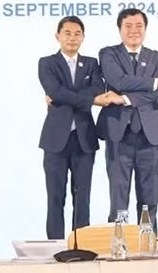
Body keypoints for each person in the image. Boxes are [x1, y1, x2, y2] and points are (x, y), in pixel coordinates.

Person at [38, 16, 122, 239]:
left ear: (83, 37)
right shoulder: (47, 63)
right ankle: (55, 245)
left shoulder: (91, 63)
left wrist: (65, 96)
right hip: (55, 140)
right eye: (67, 33)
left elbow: (96, 89)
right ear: (58, 36)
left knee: (82, 197)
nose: (72, 38)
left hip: (84, 139)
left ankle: (81, 244)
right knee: (55, 197)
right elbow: (55, 91)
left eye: (77, 34)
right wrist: (89, 99)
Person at [98, 8, 158, 234]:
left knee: (149, 197)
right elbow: (119, 80)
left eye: (139, 26)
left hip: (149, 135)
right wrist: (155, 82)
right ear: (120, 29)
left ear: (145, 29)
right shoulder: (108, 54)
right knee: (119, 197)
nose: (134, 30)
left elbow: (157, 93)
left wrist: (124, 98)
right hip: (118, 133)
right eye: (128, 26)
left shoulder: (156, 57)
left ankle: (148, 243)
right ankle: (119, 243)